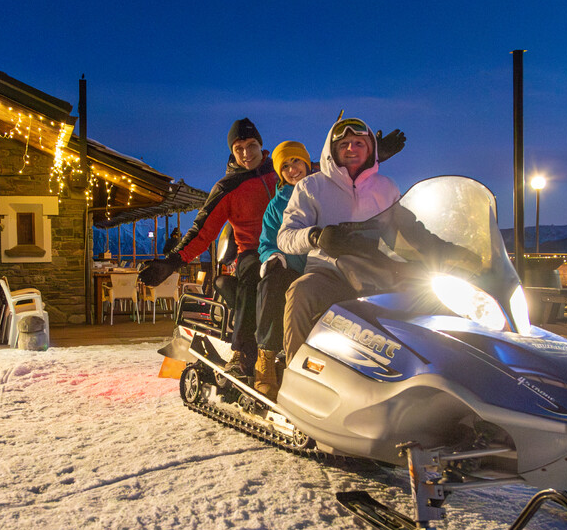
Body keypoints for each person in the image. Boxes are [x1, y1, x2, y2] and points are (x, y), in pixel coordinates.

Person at [139, 118, 278, 375]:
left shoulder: (281, 171)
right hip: (253, 252)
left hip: (292, 247)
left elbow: (322, 178)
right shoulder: (228, 187)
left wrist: (369, 157)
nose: (246, 154)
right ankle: (243, 353)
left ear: (261, 145)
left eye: (251, 145)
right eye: (239, 148)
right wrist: (172, 261)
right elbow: (202, 231)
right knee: (251, 274)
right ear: (232, 151)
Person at [276, 117, 401, 361]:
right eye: (344, 144)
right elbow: (285, 236)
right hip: (328, 273)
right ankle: (296, 372)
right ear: (332, 150)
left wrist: (447, 251)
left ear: (370, 148)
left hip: (378, 275)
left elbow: (408, 231)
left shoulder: (386, 188)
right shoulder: (311, 187)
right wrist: (316, 237)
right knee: (300, 292)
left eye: (359, 143)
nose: (351, 149)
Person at [252, 140, 313, 397]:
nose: (292, 169)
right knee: (271, 284)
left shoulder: (323, 190)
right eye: (285, 166)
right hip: (291, 267)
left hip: (327, 265)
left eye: (296, 161)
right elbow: (266, 242)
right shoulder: (276, 206)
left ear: (307, 163)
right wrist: (275, 257)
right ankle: (265, 358)